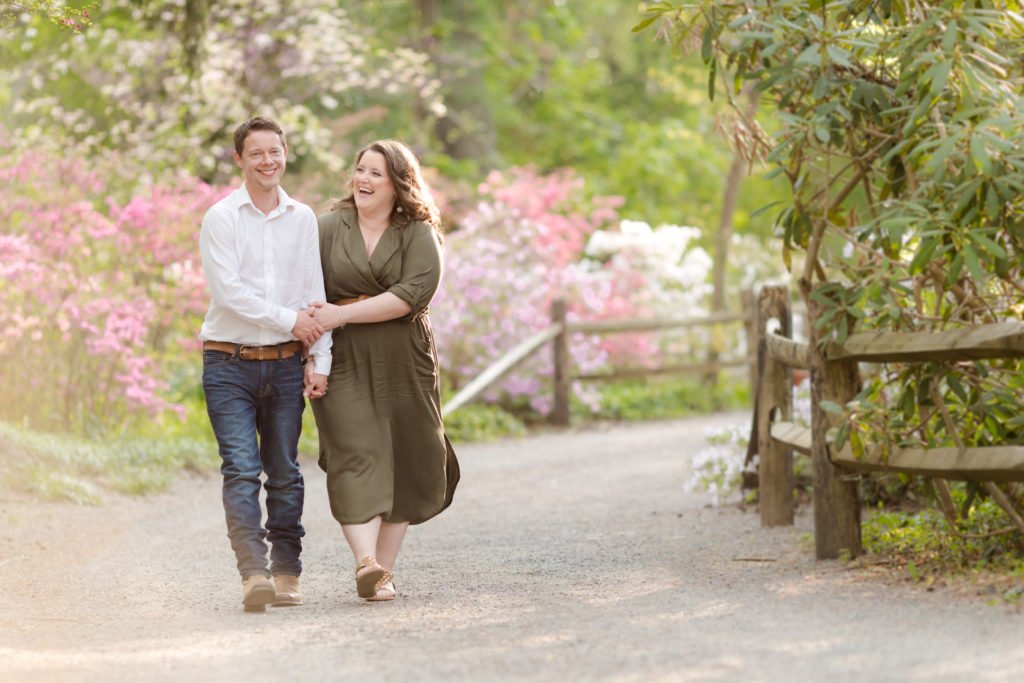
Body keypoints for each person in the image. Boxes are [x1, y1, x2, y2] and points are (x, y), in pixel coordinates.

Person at [306, 139, 459, 602]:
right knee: (353, 451)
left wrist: (341, 312)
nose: (364, 180)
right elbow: (305, 289)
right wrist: (314, 349)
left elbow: (413, 294)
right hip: (343, 355)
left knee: (405, 458)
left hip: (404, 357)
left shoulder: (419, 233)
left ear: (399, 182)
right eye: (360, 170)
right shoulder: (327, 228)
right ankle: (365, 562)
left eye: (376, 173)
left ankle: (382, 575)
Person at [198, 116, 332, 612]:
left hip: (283, 364)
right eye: (256, 153)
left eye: (274, 151)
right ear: (239, 159)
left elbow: (314, 295)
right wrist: (290, 320)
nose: (267, 161)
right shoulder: (221, 218)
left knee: (285, 471)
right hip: (228, 362)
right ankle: (253, 573)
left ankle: (286, 572)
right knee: (240, 469)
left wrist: (320, 358)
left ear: (286, 153)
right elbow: (229, 294)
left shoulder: (302, 218)